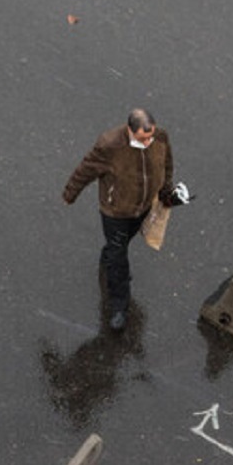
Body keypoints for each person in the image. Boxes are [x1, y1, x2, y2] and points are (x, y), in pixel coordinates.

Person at [62, 108, 174, 331]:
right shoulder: (109, 145)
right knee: (119, 258)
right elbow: (86, 170)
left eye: (150, 136)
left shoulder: (160, 136)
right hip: (116, 212)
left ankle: (109, 256)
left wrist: (166, 191)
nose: (148, 141)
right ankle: (119, 306)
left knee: (120, 245)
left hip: (142, 208)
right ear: (130, 131)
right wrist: (70, 193)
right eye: (143, 138)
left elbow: (166, 165)